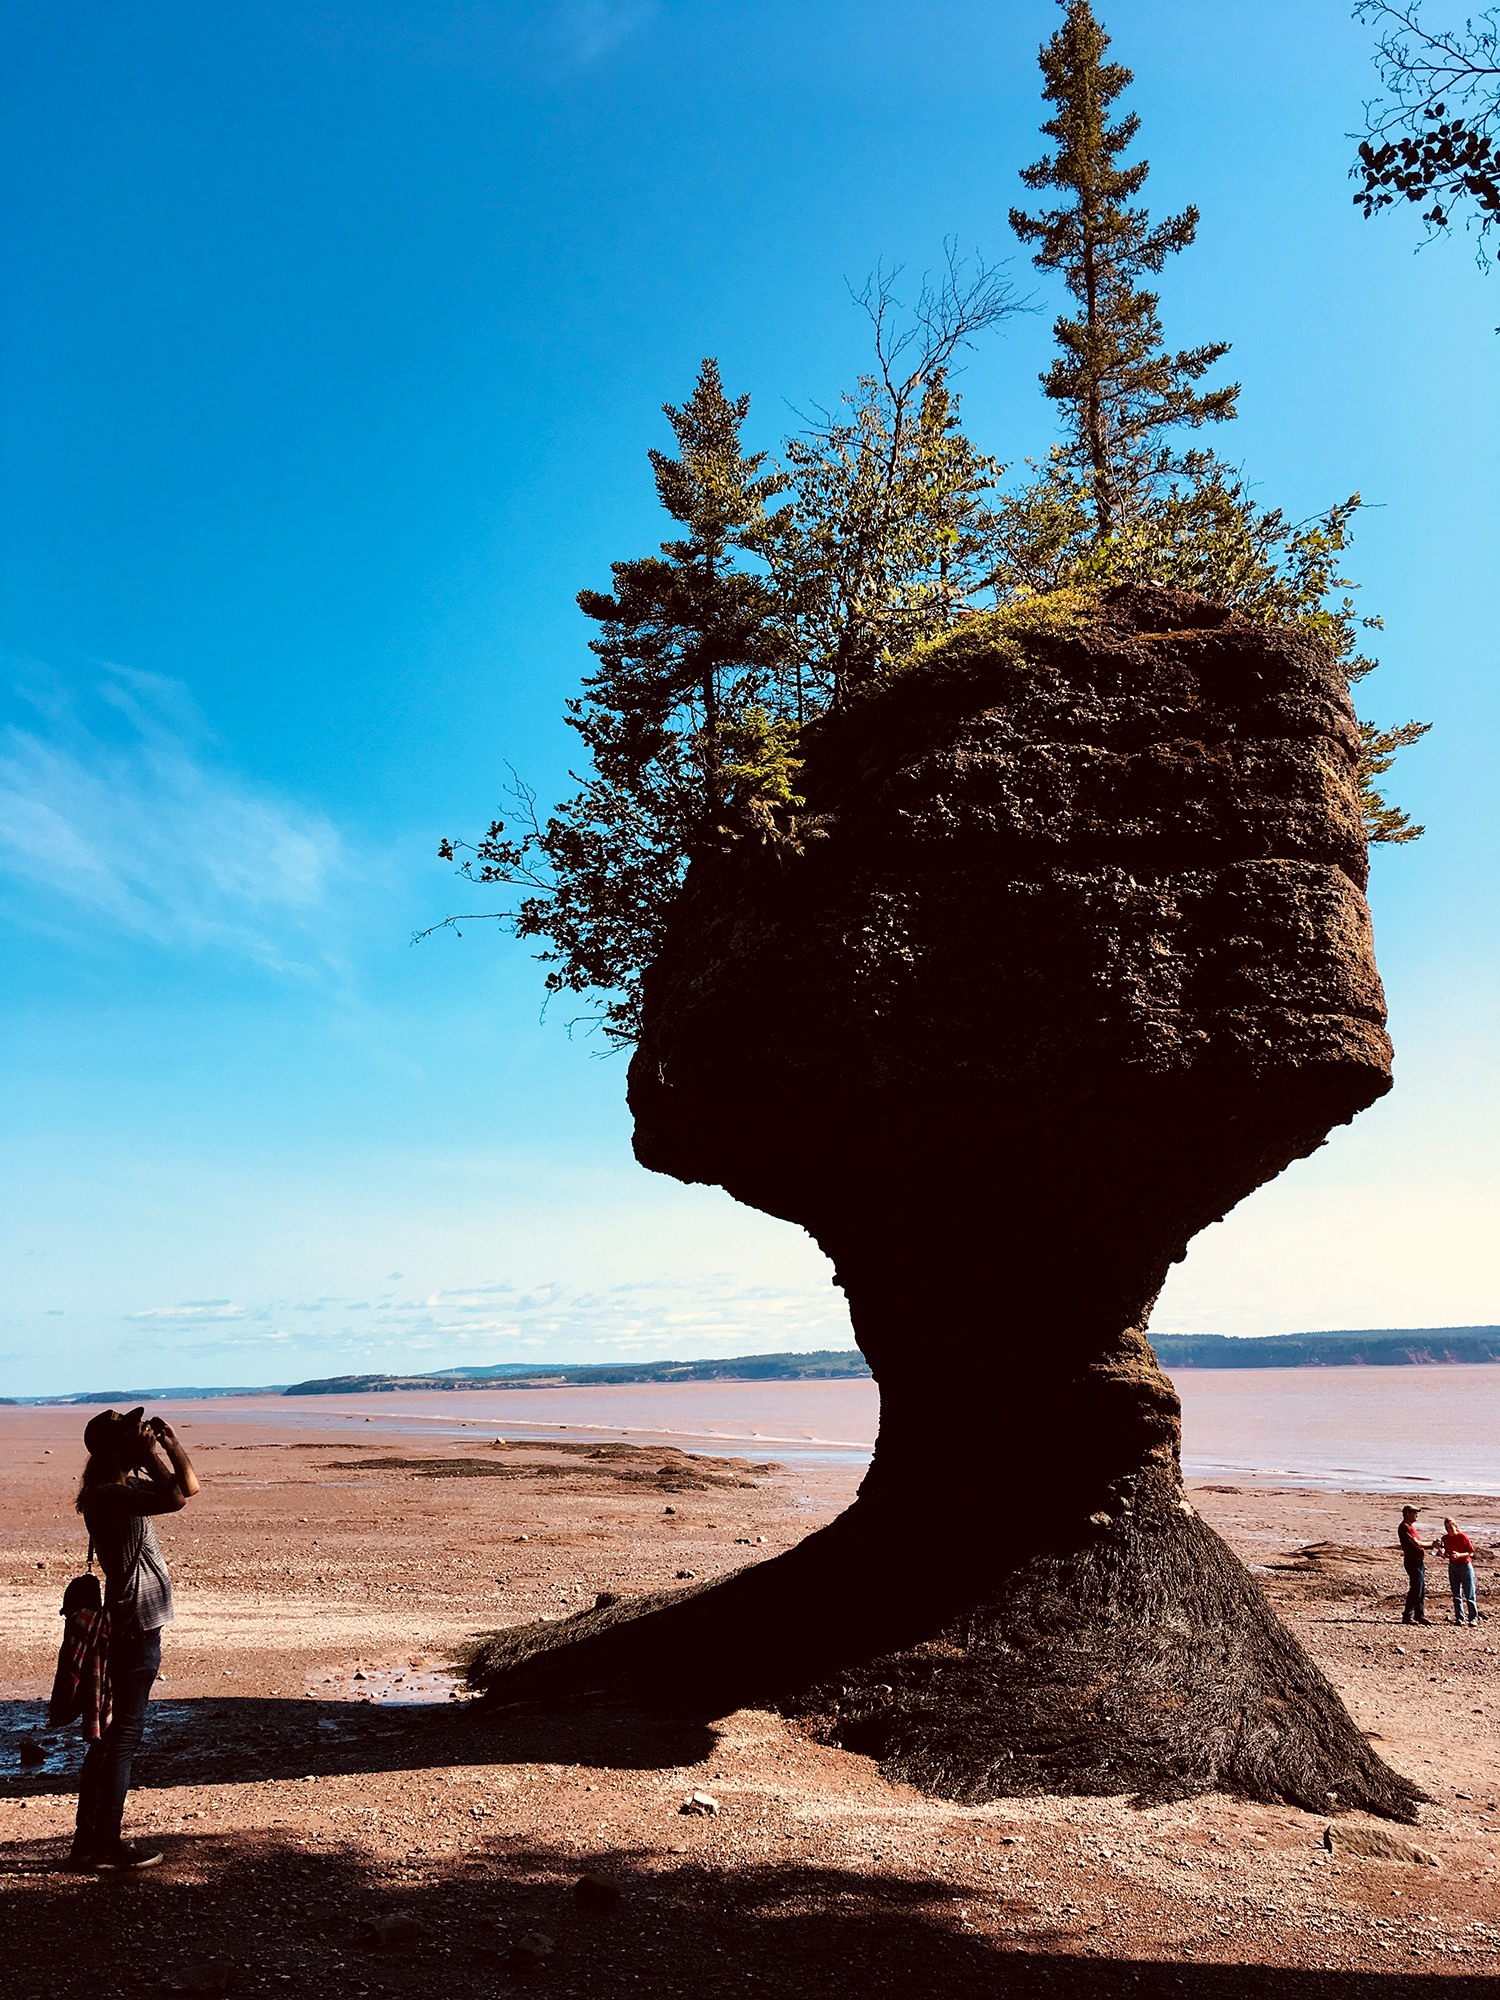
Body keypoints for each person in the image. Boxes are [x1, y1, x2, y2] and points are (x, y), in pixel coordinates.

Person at [69, 1406, 200, 1870]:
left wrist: (168, 1445)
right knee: (119, 1740)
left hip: (136, 1624)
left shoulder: (120, 1489)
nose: (141, 1434)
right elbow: (177, 1499)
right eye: (132, 1433)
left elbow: (189, 1488)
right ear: (117, 1449)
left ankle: (89, 1842)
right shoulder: (109, 1496)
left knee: (108, 1741)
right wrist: (152, 1454)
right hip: (134, 1626)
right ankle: (104, 1842)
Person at [1397, 1504, 1434, 1625]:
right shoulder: (1404, 1527)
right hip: (1412, 1560)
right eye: (1414, 1513)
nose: (1416, 1515)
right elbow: (1417, 1544)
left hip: (1418, 1560)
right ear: (1407, 1514)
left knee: (1421, 1588)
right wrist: (1432, 1544)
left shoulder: (1410, 1527)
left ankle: (1419, 1615)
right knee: (1416, 1588)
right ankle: (1407, 1615)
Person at [1441, 1515, 1479, 1627]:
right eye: (1447, 1528)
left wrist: (1460, 1555)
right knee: (1456, 1593)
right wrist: (1443, 1554)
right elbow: (1446, 1552)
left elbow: (1471, 1552)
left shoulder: (1462, 1537)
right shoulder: (1445, 1538)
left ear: (1455, 1526)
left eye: (1451, 1527)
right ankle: (1459, 1617)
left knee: (1469, 1593)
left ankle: (1473, 1618)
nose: (1449, 1530)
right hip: (1453, 1566)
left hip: (1465, 1565)